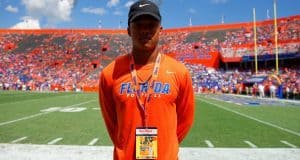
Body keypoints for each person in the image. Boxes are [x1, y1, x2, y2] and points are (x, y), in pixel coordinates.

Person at [98, 0, 195, 159]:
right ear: (129, 30)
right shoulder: (110, 73)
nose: (145, 30)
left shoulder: (179, 72)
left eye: (151, 25)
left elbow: (185, 120)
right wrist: (126, 145)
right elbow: (111, 122)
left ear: (160, 30)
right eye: (138, 25)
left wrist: (166, 145)